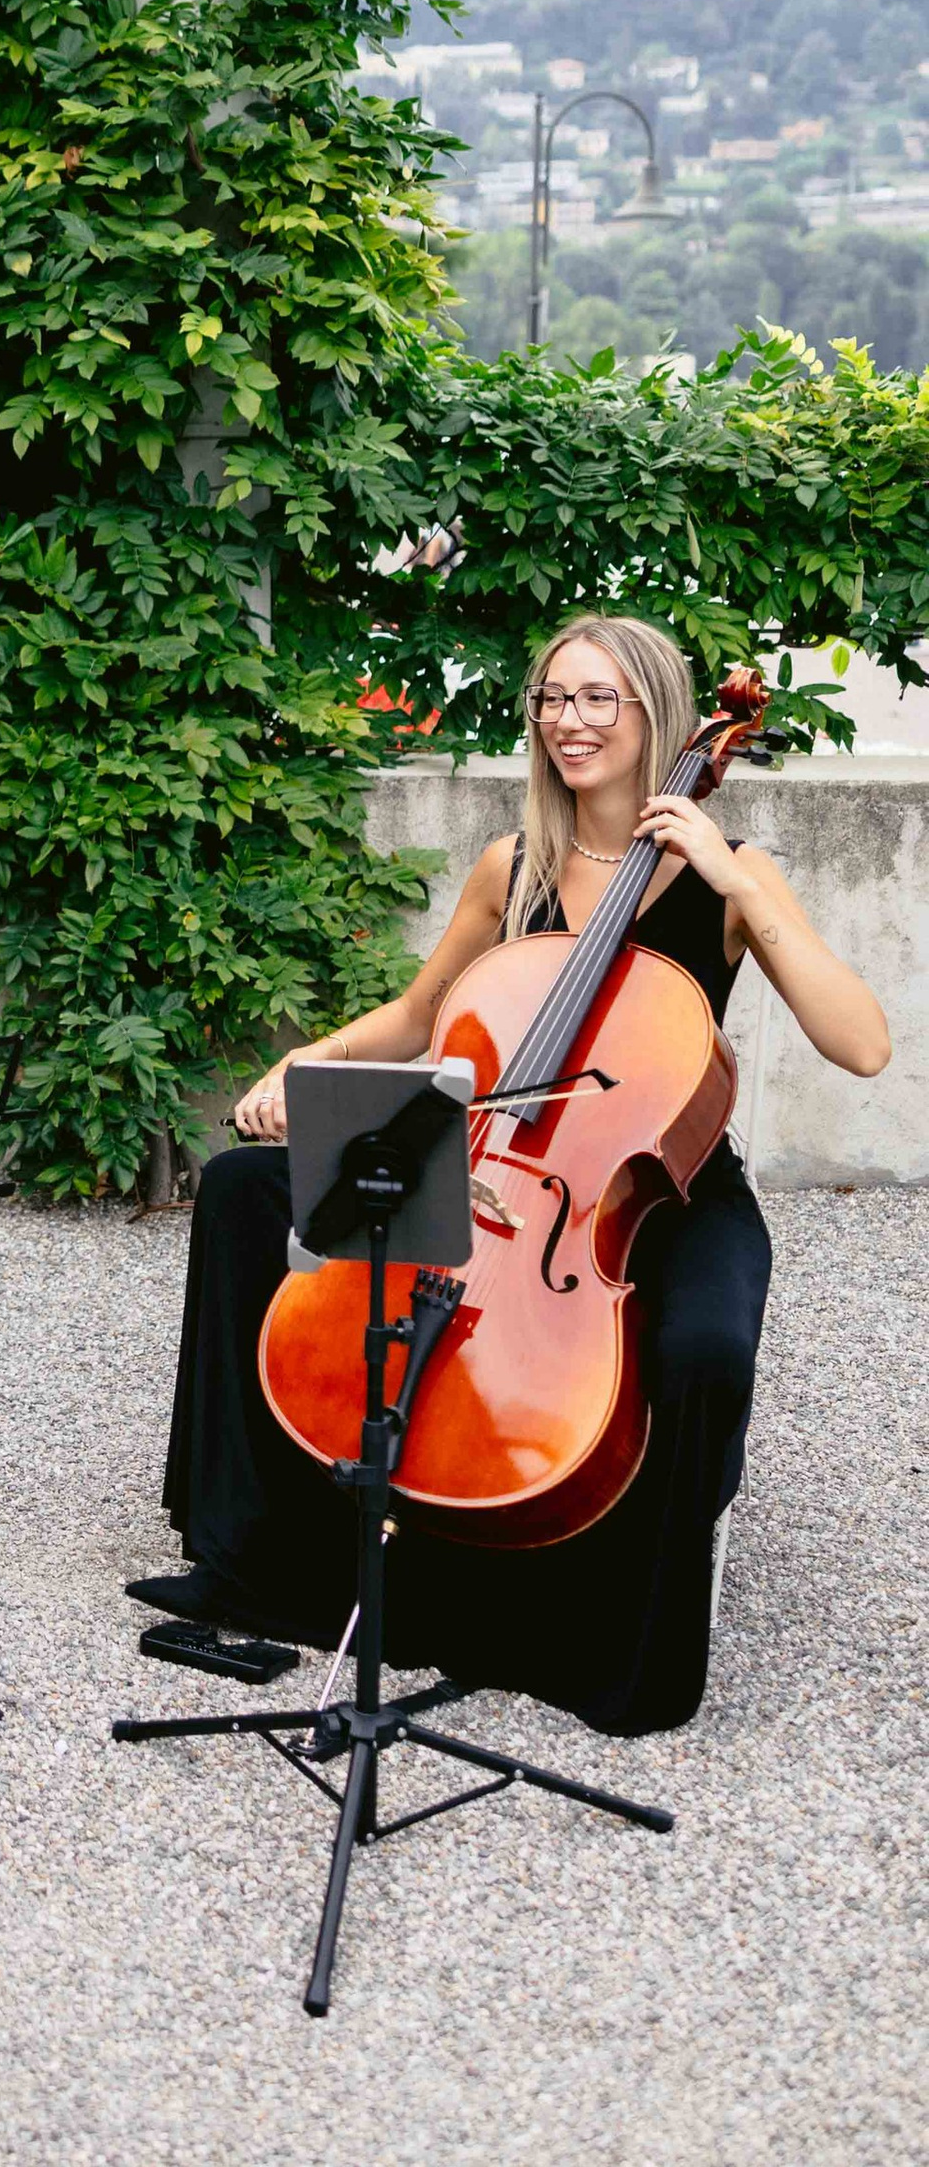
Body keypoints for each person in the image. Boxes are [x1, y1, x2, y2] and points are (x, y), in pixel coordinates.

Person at [143, 614, 889, 1738]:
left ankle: (615, 1641)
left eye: (598, 699)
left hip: (655, 1188)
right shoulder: (514, 866)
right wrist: (306, 1061)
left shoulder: (732, 877)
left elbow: (861, 1044)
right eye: (552, 697)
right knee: (249, 1188)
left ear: (655, 715)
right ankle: (252, 1561)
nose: (568, 721)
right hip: (495, 1162)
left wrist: (741, 881)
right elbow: (415, 1014)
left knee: (698, 1346)